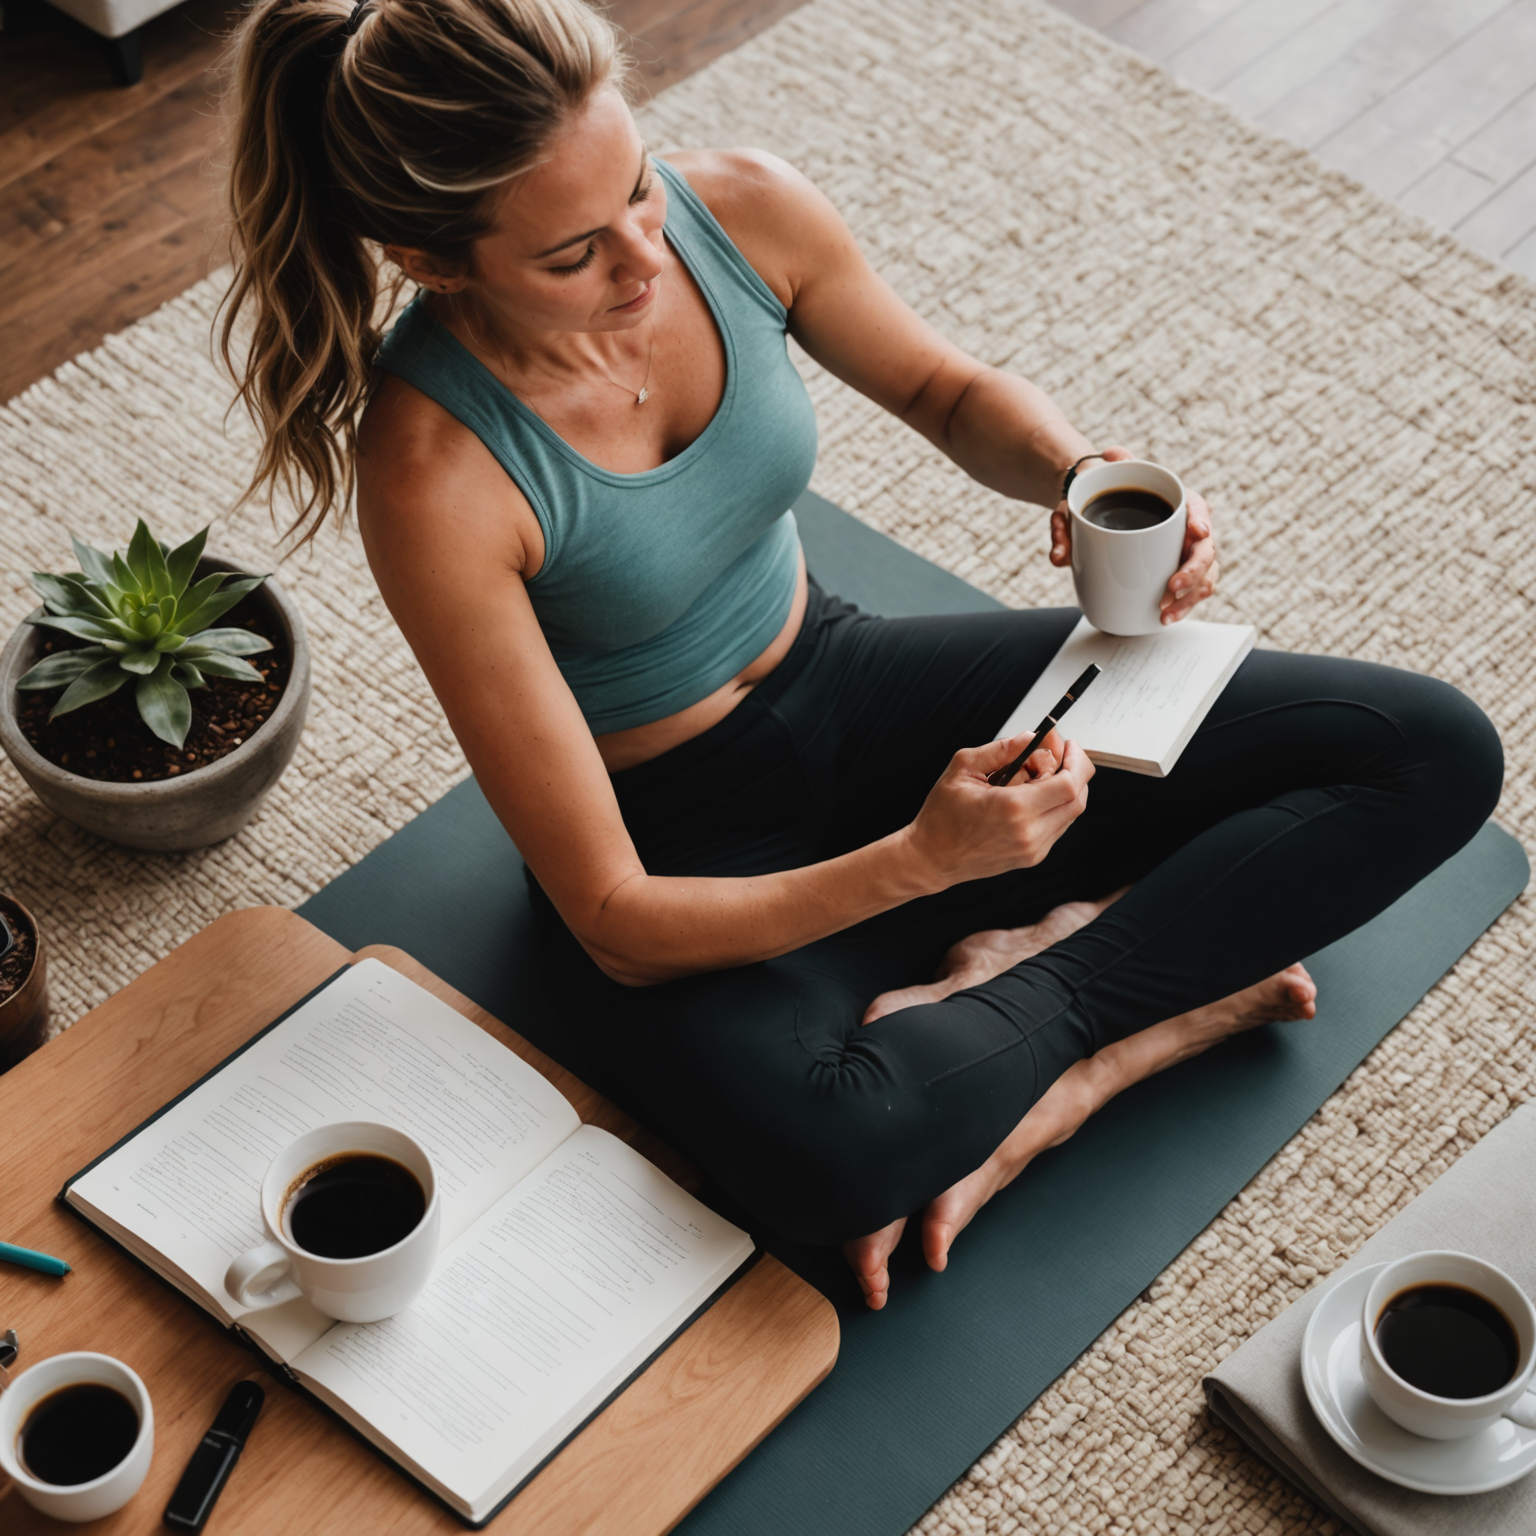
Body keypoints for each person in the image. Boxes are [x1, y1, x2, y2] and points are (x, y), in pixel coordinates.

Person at [223, 0, 1504, 1309]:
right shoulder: (432, 472)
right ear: (434, 261)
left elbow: (945, 394)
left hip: (855, 677)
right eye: (574, 253)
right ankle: (1127, 1018)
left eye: (638, 188)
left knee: (1429, 752)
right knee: (838, 1154)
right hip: (674, 843)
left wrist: (1078, 470)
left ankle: (1058, 1041)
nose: (644, 261)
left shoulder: (744, 210)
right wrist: (918, 866)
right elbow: (612, 924)